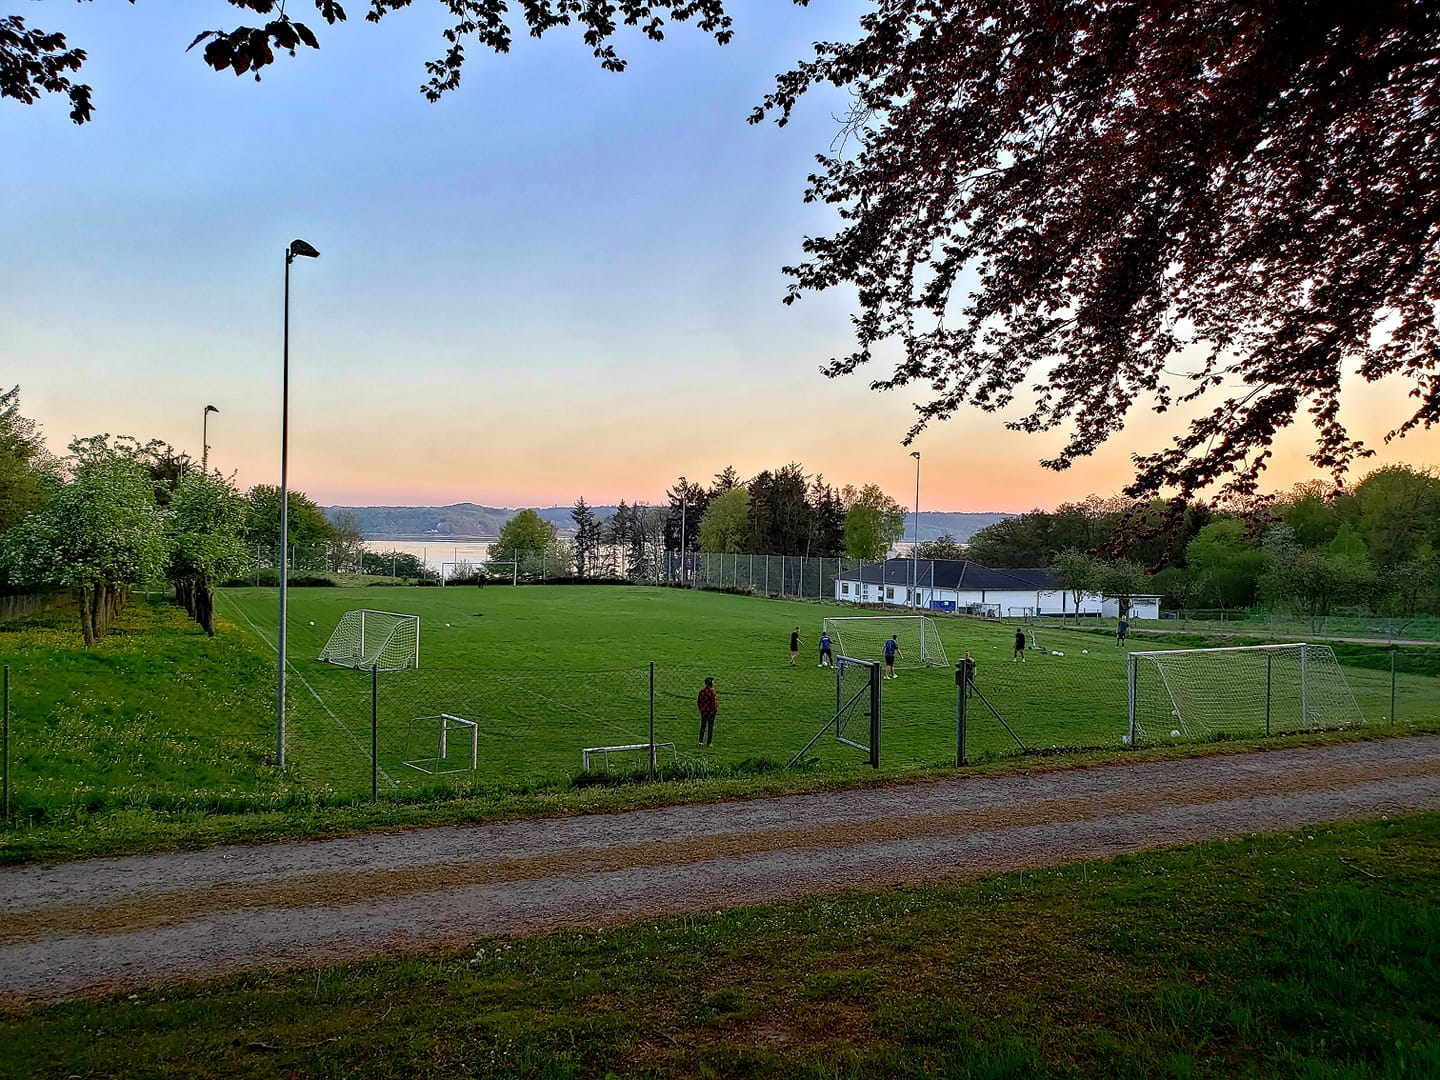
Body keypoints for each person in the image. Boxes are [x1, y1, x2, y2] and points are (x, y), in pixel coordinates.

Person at [696, 677, 717, 747]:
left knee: (703, 726)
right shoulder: (712, 692)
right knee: (710, 727)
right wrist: (714, 710)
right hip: (711, 712)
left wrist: (701, 709)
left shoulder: (702, 691)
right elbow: (714, 703)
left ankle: (700, 741)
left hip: (703, 711)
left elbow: (699, 701)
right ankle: (709, 742)